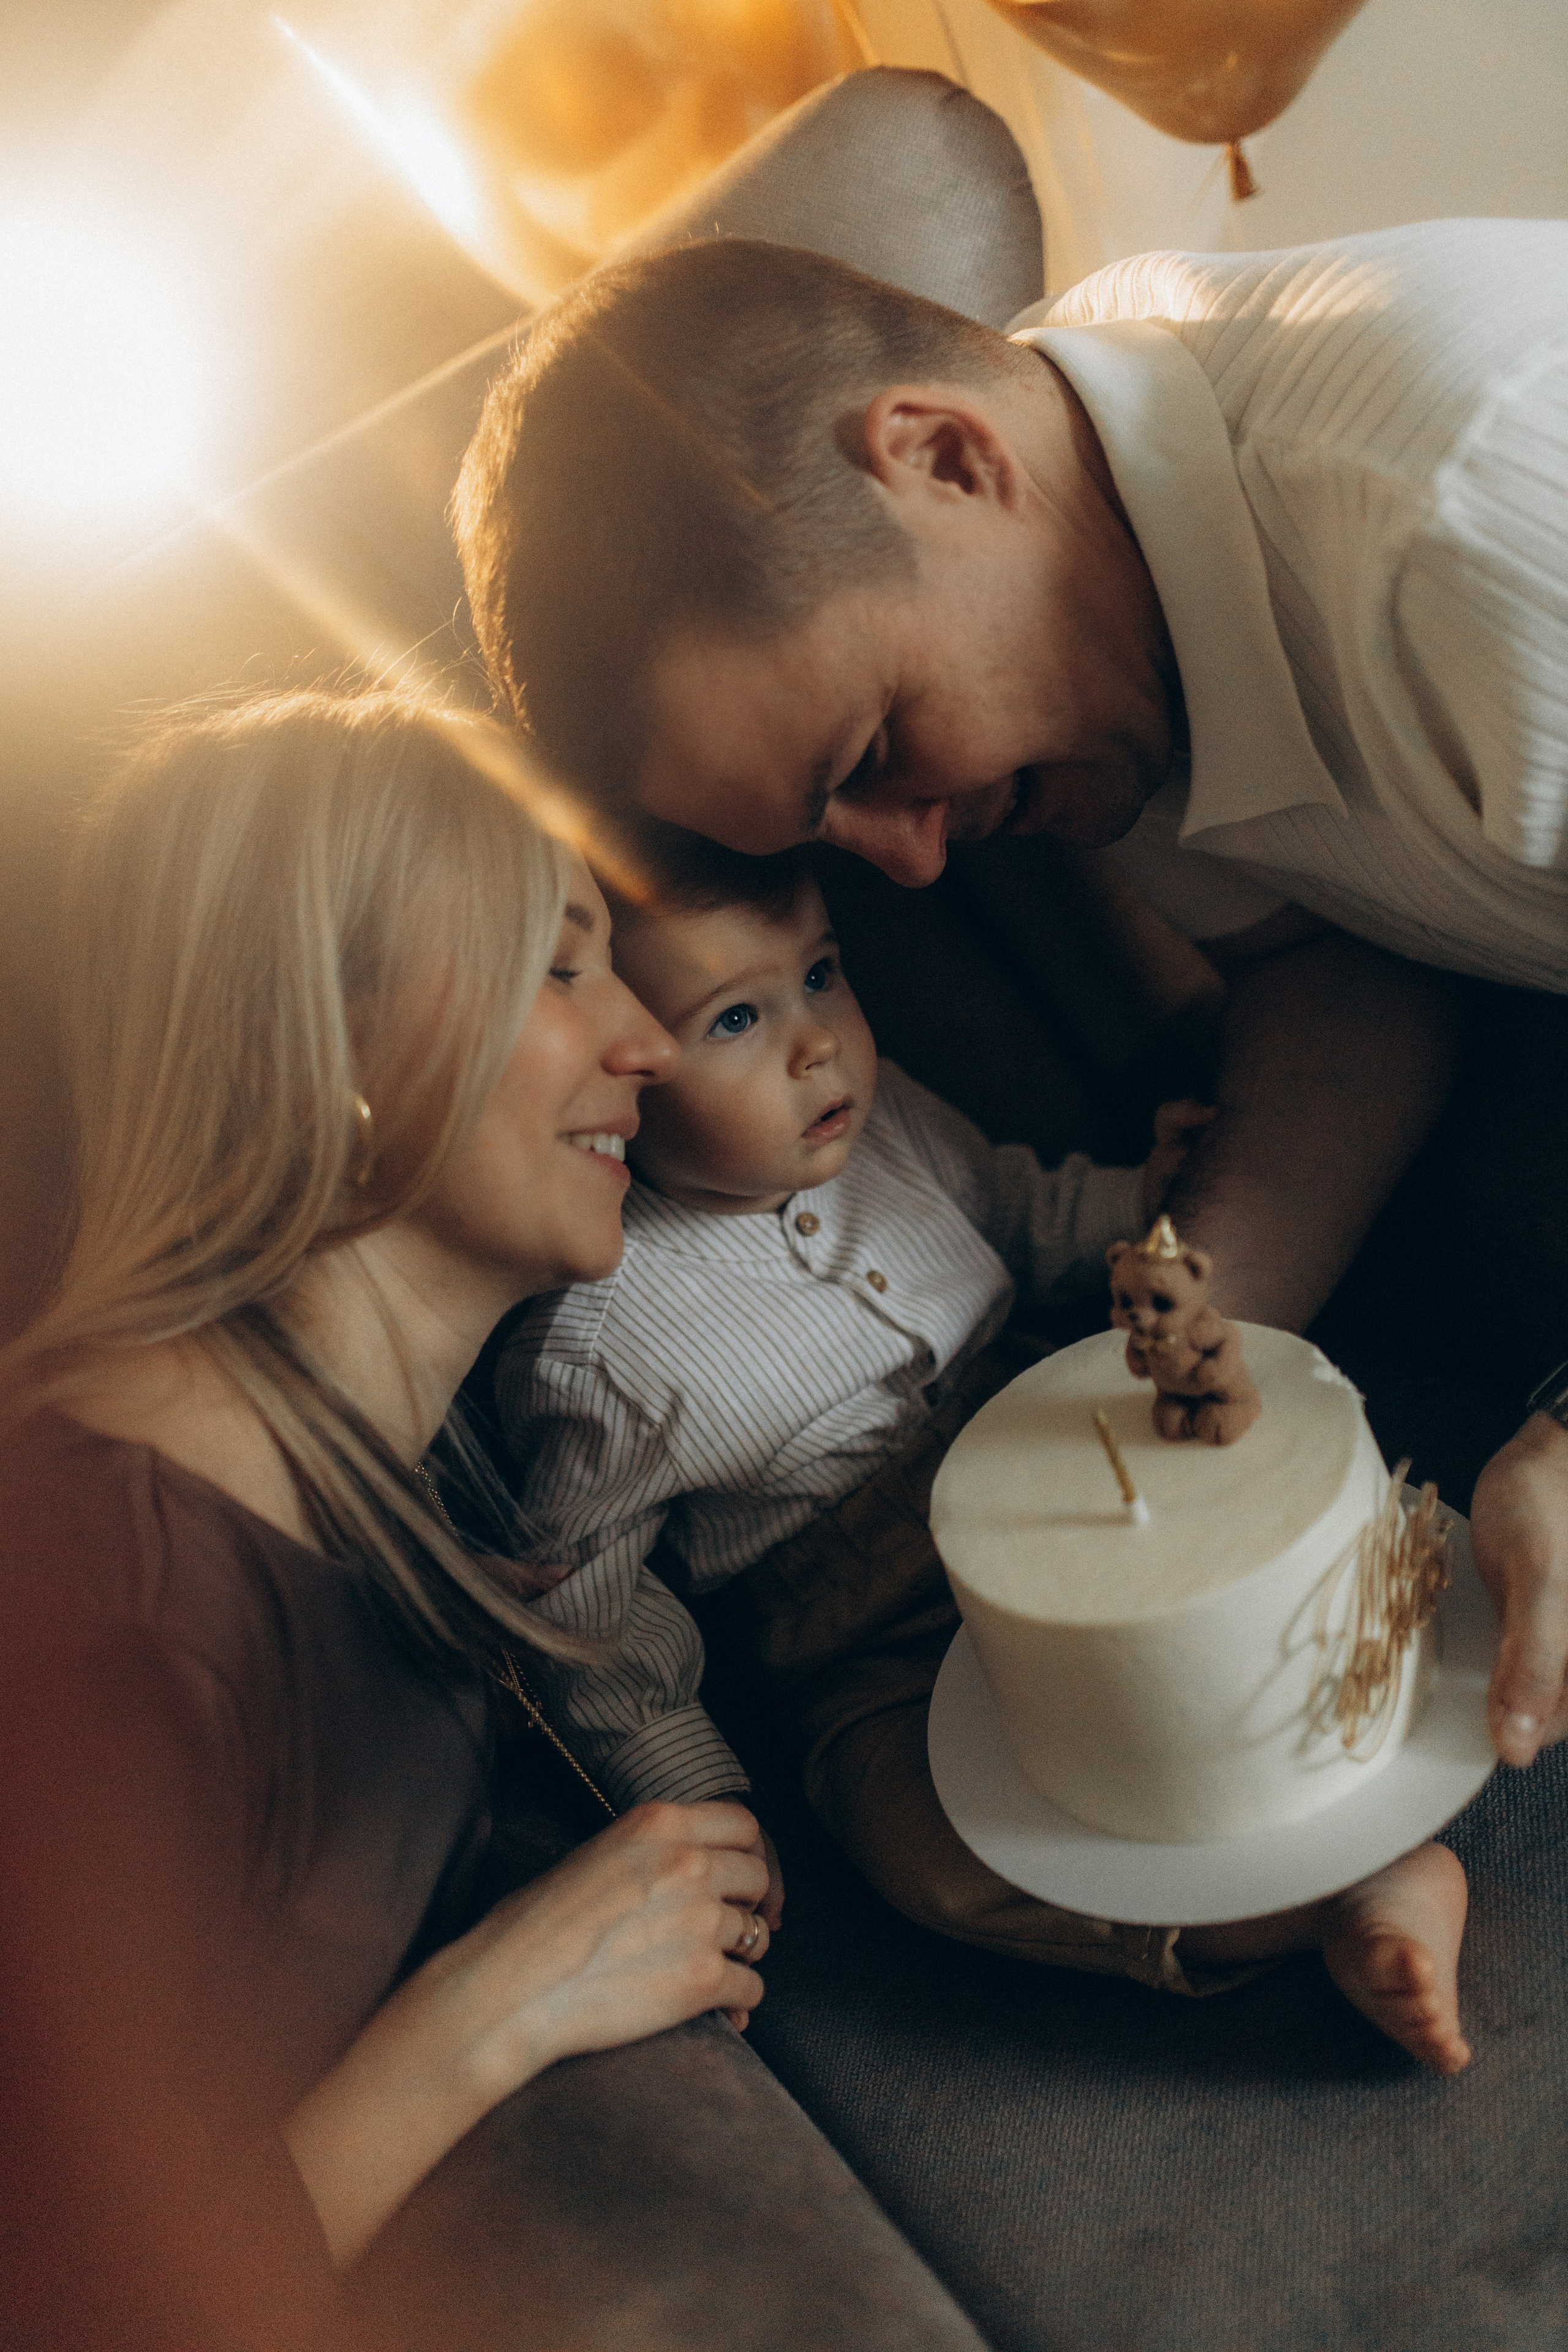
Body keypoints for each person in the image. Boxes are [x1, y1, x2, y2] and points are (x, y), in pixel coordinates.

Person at [449, 224, 1568, 1793]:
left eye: (875, 752)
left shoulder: (1469, 516)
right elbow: (1338, 970)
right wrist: (1186, 1333)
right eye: (828, 833)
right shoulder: (1100, 635)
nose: (911, 860)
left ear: (942, 458)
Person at [0, 689, 788, 2350]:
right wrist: (504, 2004)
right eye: (559, 965)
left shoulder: (345, 1482)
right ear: (335, 1042)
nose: (643, 1042)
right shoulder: (108, 1600)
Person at [494, 844, 1470, 2073]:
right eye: (737, 1017)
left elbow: (1016, 1205)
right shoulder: (599, 1346)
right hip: (866, 1635)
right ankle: (1315, 1904)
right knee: (920, 1849)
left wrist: (1140, 1206)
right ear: (617, 1063)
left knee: (1216, 1563)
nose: (816, 1044)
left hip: (1058, 1458)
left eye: (821, 975)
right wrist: (687, 1786)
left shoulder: (884, 1118)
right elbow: (595, 1605)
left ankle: (1379, 1707)